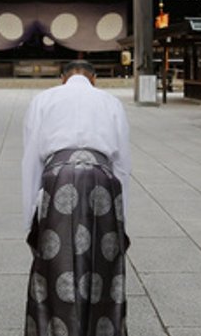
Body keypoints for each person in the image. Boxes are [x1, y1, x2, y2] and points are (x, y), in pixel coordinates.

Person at [21, 60, 131, 336]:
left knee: (55, 262)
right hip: (102, 180)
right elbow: (122, 164)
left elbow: (31, 159)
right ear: (94, 79)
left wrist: (30, 217)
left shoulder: (43, 100)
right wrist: (122, 221)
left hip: (57, 178)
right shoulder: (111, 102)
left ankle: (56, 328)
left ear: (63, 79)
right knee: (104, 262)